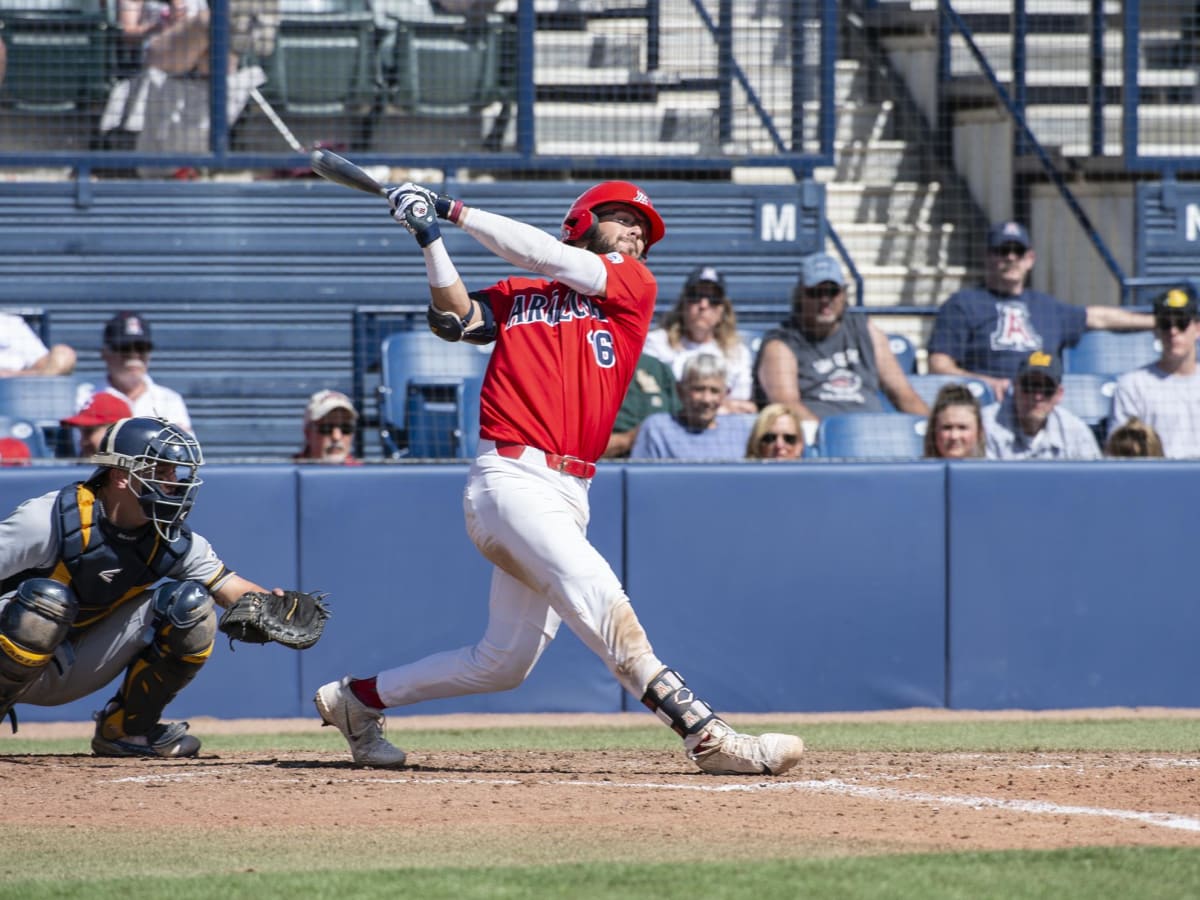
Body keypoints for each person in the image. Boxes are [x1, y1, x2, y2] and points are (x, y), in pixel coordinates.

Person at [313, 180, 805, 776]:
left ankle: (356, 700)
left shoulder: (630, 285)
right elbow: (454, 319)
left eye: (643, 230)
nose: (636, 234)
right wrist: (429, 236)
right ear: (584, 220)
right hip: (511, 477)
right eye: (624, 219)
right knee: (603, 600)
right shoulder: (522, 293)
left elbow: (545, 255)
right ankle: (707, 737)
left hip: (572, 490)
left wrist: (452, 208)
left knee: (503, 662)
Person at [0, 416, 287, 757]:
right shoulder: (49, 519)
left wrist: (275, 609)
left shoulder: (171, 540)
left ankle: (125, 731)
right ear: (122, 476)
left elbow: (228, 586)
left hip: (70, 663)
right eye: (160, 472)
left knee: (192, 606)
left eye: (174, 474)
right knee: (47, 601)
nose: (173, 484)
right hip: (13, 639)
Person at [927, 221, 1154, 401]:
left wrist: (1156, 321)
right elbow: (939, 365)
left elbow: (1099, 317)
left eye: (1018, 251)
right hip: (987, 405)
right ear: (988, 256)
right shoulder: (964, 304)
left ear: (1030, 259)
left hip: (1040, 401)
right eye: (1002, 250)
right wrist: (984, 384)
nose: (1011, 258)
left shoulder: (1047, 307)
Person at [753, 252, 928, 430]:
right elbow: (787, 407)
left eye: (832, 291)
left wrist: (930, 431)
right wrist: (831, 439)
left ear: (844, 294)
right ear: (800, 295)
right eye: (815, 293)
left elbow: (904, 395)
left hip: (875, 434)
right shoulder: (781, 343)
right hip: (820, 441)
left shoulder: (865, 330)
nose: (825, 300)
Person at [642, 265, 757, 414]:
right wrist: (720, 406)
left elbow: (743, 406)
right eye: (695, 297)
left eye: (713, 299)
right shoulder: (657, 344)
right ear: (683, 304)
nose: (703, 305)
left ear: (723, 309)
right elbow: (650, 397)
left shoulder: (737, 352)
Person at [1106, 284, 1200, 459]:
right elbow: (1121, 453)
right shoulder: (1133, 385)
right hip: (1155, 479)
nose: (1173, 331)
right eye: (1165, 324)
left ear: (1197, 328)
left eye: (1181, 323)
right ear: (1156, 330)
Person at [630, 353, 754, 460]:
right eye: (698, 389)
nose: (706, 399)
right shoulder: (657, 429)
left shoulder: (742, 429)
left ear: (725, 394)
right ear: (680, 390)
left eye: (714, 391)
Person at [981, 351, 1101, 460]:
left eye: (1047, 389)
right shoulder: (987, 424)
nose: (1038, 397)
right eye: (1030, 386)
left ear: (1059, 394)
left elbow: (1095, 480)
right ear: (1015, 387)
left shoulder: (1075, 432)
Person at [100, 311, 193, 433]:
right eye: (124, 348)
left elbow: (184, 449)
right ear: (105, 353)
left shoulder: (170, 400)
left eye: (141, 348)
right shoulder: (84, 396)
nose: (134, 355)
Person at [603, 353, 681, 458]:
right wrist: (629, 439)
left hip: (660, 464)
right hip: (607, 466)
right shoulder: (583, 367)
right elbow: (578, 448)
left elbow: (683, 427)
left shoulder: (658, 368)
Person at [294, 389, 361, 464]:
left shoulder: (362, 473)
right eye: (326, 428)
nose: (336, 437)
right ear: (308, 433)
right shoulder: (289, 472)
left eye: (346, 428)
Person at [0, 312, 77, 377]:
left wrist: (11, 376)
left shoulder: (9, 325)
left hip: (18, 388)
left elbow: (40, 362)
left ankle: (42, 387)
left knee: (64, 354)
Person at [61, 391, 134, 458]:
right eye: (81, 433)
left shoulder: (141, 470)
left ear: (119, 432)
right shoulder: (77, 469)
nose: (83, 442)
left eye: (89, 431)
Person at [922, 383, 985, 459]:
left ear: (979, 431)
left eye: (962, 428)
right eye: (947, 428)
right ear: (933, 430)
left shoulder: (992, 470)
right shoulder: (916, 470)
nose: (954, 436)